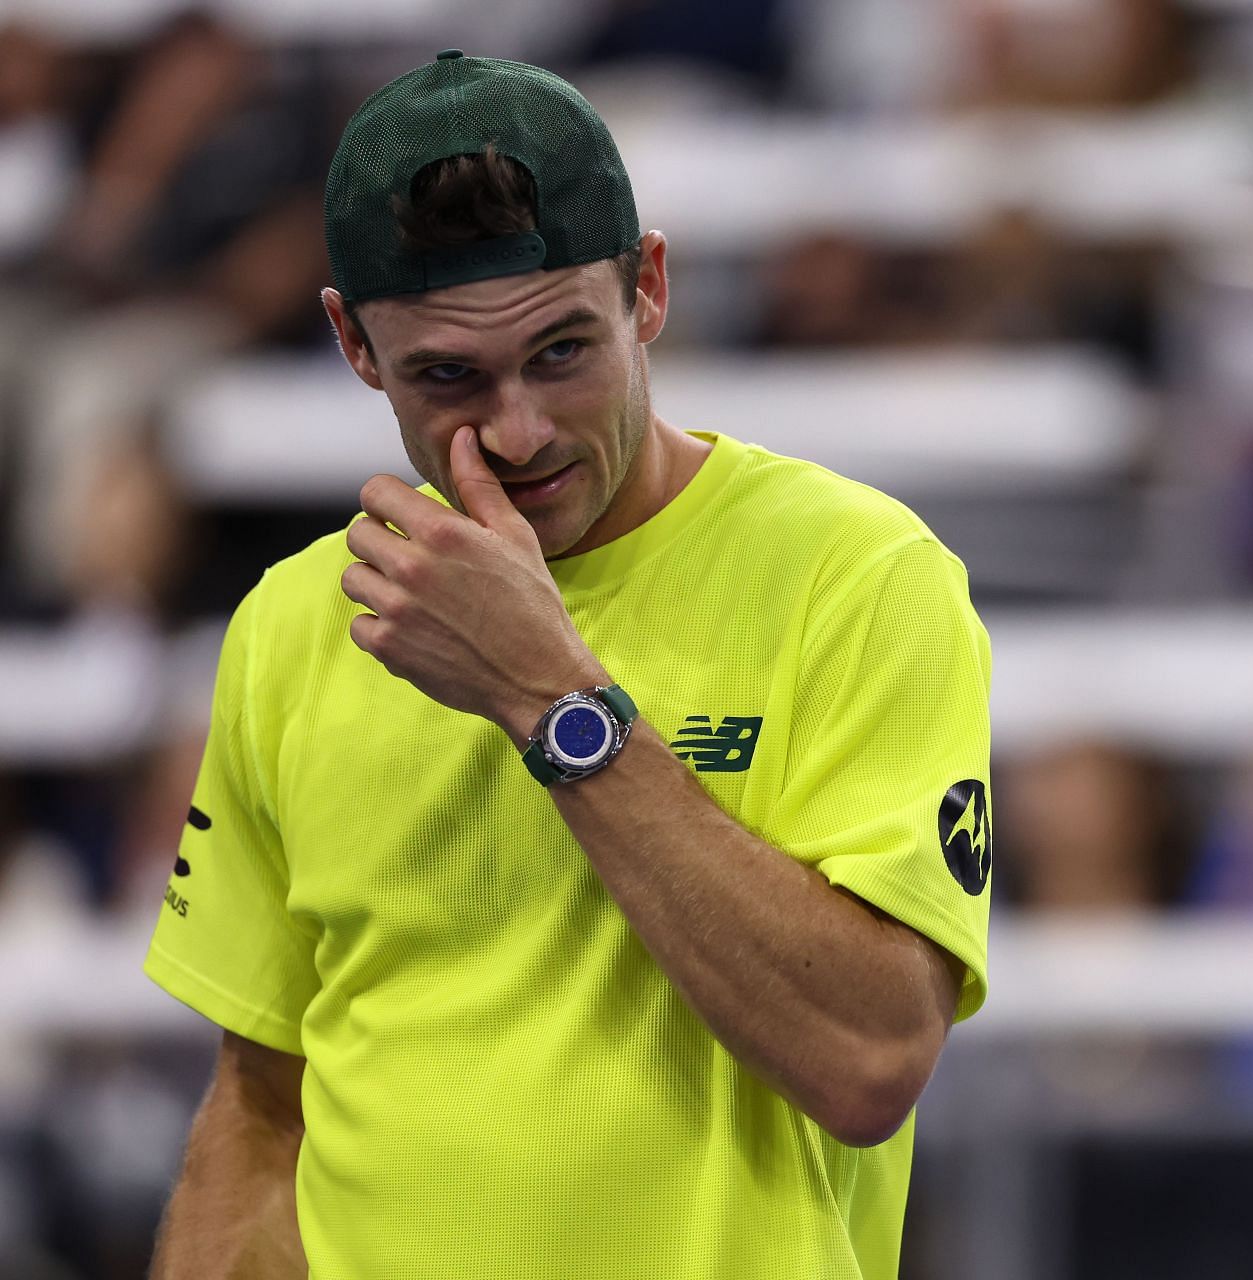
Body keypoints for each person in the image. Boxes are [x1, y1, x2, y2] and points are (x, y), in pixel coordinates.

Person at [142, 51, 993, 1280]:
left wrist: (550, 696)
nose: (521, 429)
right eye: (450, 376)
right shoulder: (293, 621)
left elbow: (867, 1062)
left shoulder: (858, 577)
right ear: (354, 346)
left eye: (560, 352)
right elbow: (262, 1098)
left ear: (647, 287)